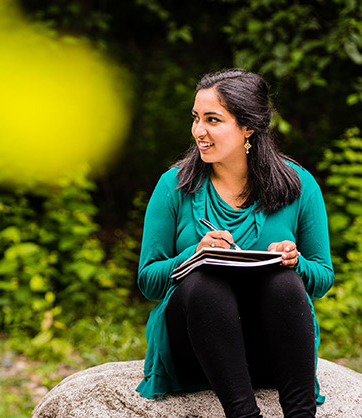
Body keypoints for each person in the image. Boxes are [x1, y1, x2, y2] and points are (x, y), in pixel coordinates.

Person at [135, 69, 334, 418]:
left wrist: (295, 261)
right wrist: (194, 254)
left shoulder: (299, 185)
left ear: (248, 128)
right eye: (196, 118)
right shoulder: (174, 185)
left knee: (284, 281)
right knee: (205, 284)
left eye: (213, 119)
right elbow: (149, 281)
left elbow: (322, 278)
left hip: (270, 352)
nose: (199, 131)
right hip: (197, 350)